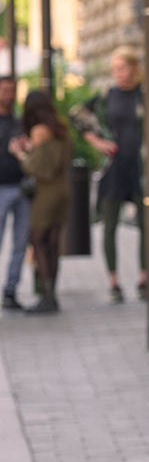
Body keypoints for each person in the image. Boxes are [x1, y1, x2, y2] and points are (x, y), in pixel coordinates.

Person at [73, 46, 147, 303]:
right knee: (110, 226)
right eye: (115, 68)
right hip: (113, 168)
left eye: (122, 68)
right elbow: (77, 115)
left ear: (135, 68)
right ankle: (114, 281)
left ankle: (144, 278)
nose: (118, 73)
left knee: (147, 226)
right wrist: (96, 141)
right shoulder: (107, 95)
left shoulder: (145, 95)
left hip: (141, 169)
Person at [10, 91, 72, 315]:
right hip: (63, 189)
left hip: (46, 193)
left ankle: (47, 297)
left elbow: (37, 168)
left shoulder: (39, 130)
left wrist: (19, 153)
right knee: (53, 243)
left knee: (38, 240)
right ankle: (51, 293)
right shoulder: (60, 128)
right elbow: (53, 159)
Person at [0, 75, 29, 310]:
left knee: (20, 243)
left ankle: (11, 290)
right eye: (5, 90)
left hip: (21, 187)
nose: (9, 94)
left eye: (12, 90)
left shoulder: (21, 122)